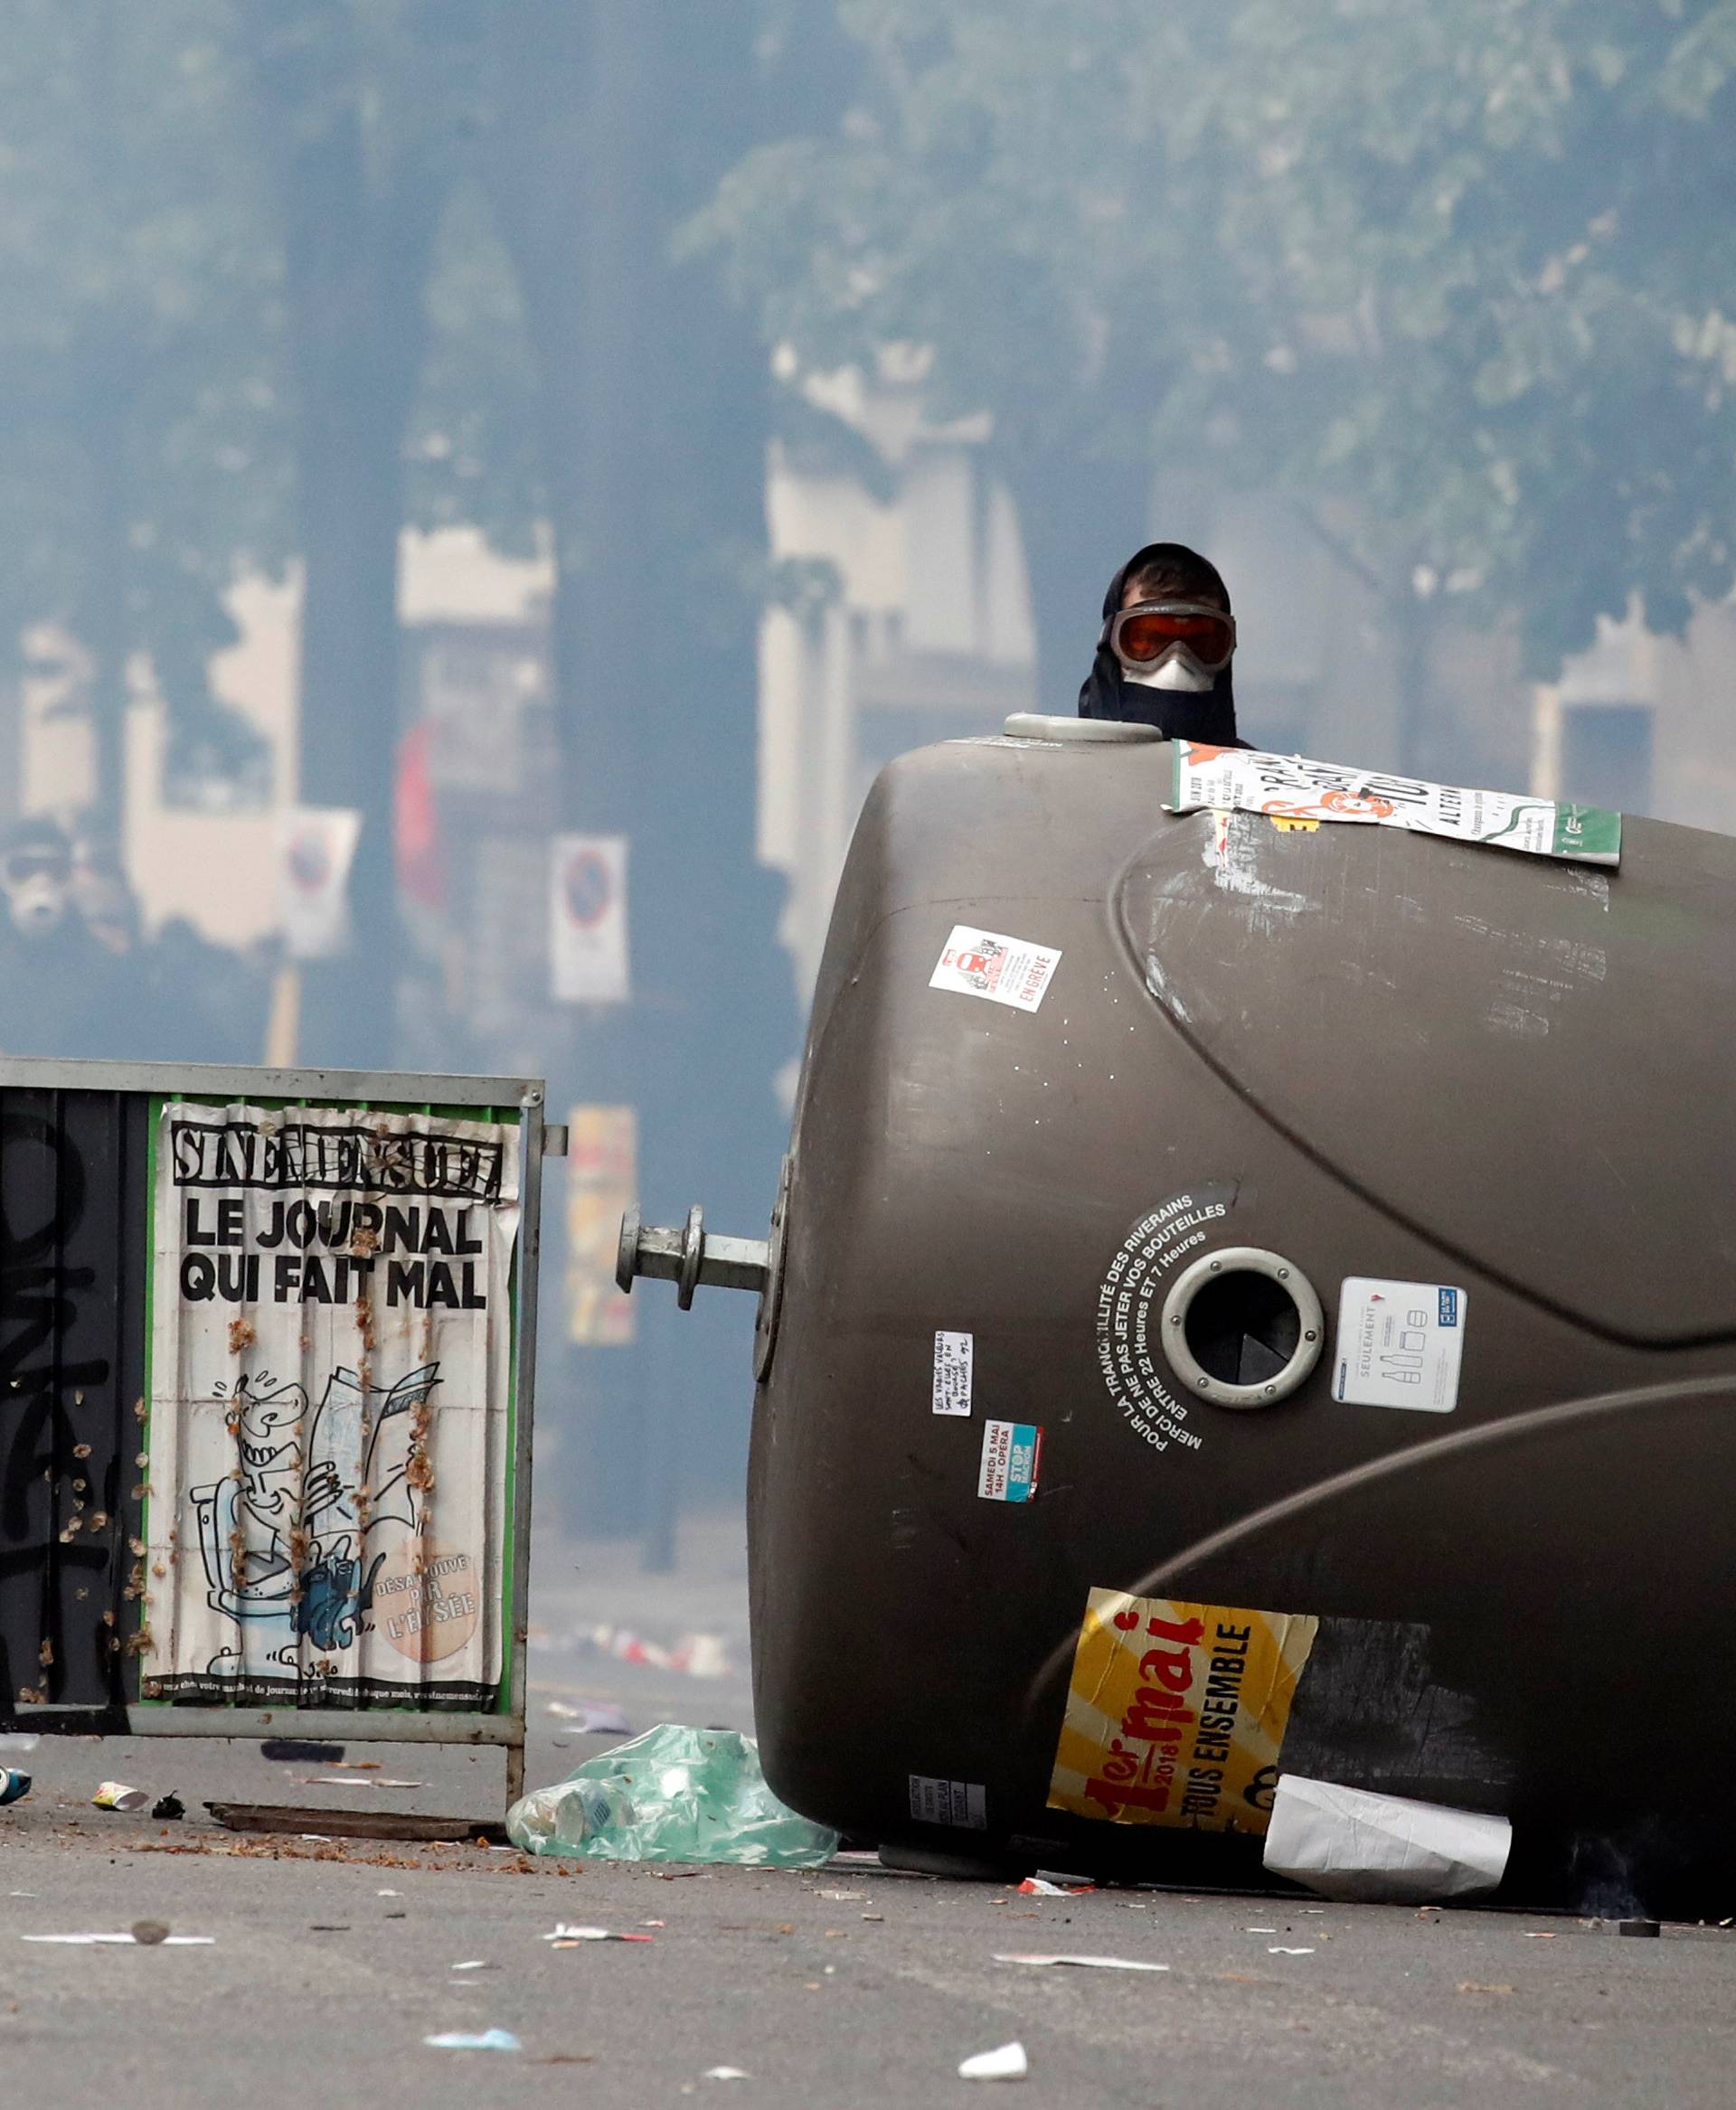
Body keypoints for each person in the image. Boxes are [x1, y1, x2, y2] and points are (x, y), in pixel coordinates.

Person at [1078, 542, 1246, 746]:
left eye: (1200, 641)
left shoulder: (1257, 775)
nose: (1176, 663)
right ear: (1110, 645)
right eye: (1146, 639)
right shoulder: (1051, 771)